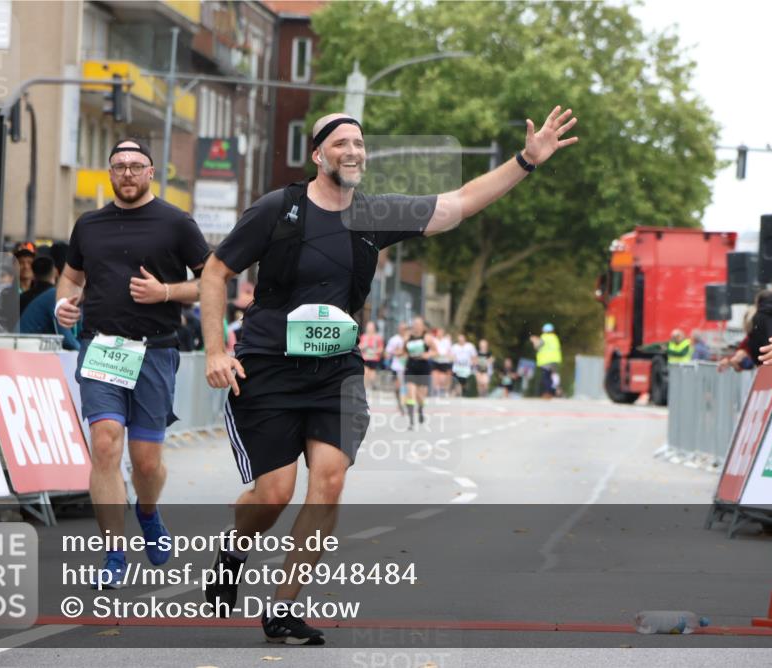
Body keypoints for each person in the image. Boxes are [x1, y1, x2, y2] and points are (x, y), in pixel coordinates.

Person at [200, 106, 577, 644]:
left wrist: (526, 161)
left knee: (327, 483)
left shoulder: (373, 215)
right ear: (317, 154)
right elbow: (216, 272)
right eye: (340, 144)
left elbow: (459, 203)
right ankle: (234, 551)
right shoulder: (278, 210)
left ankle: (282, 609)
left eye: (359, 144)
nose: (352, 151)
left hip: (335, 374)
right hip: (269, 366)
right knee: (274, 495)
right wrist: (216, 350)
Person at [55, 138, 211, 586]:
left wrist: (165, 292)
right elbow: (71, 277)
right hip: (101, 347)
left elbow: (211, 281)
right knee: (105, 445)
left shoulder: (177, 223)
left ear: (150, 173)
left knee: (146, 462)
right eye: (119, 165)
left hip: (155, 351)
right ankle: (113, 553)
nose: (127, 172)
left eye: (135, 165)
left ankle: (147, 511)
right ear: (109, 172)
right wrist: (65, 305)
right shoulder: (89, 225)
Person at [19, 243, 80, 350]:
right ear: (56, 272)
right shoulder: (55, 296)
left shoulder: (52, 295)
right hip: (27, 353)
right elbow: (68, 340)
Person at [403, 316, 437, 429]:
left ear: (422, 326)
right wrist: (399, 353)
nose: (416, 326)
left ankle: (421, 409)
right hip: (411, 366)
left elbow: (436, 351)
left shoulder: (427, 338)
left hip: (423, 367)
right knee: (410, 393)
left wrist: (427, 355)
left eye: (418, 324)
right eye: (414, 324)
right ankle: (411, 421)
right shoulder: (408, 336)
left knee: (420, 396)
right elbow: (403, 350)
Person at [530, 323, 563, 398]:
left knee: (546, 377)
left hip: (546, 361)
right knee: (552, 376)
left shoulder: (544, 337)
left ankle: (548, 392)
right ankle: (554, 390)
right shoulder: (555, 338)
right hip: (555, 360)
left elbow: (537, 347)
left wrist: (534, 340)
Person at [385, 322, 409, 415]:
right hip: (396, 367)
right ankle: (400, 404)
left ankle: (405, 404)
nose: (403, 330)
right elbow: (387, 353)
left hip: (408, 367)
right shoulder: (394, 339)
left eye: (405, 328)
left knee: (406, 387)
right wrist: (396, 353)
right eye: (401, 328)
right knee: (398, 387)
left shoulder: (410, 339)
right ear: (399, 329)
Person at [359, 320, 384, 390]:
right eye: (368, 327)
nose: (369, 329)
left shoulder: (378, 337)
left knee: (372, 375)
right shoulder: (363, 337)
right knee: (366, 373)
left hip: (374, 358)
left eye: (371, 327)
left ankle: (371, 386)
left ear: (374, 328)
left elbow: (381, 349)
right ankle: (365, 388)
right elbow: (359, 347)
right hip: (365, 358)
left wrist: (375, 351)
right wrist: (364, 346)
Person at [431, 327, 454, 397]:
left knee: (444, 378)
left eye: (441, 332)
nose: (440, 333)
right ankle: (436, 391)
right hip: (436, 360)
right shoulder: (433, 340)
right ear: (437, 332)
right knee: (435, 376)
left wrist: (448, 356)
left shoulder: (447, 341)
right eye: (439, 332)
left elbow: (449, 351)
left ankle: (445, 390)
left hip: (444, 361)